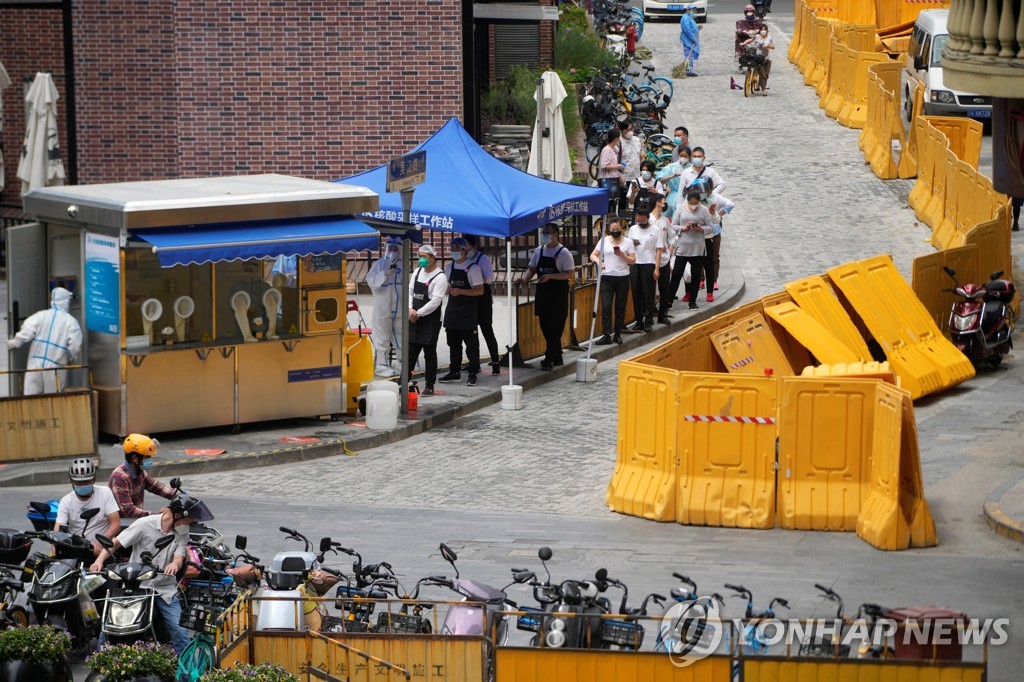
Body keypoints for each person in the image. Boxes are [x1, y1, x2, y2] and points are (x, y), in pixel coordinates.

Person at [90, 493, 215, 655]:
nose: (190, 524)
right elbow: (115, 544)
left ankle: (187, 676)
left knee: (179, 631)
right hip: (137, 585)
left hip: (164, 588)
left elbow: (178, 558)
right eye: (189, 520)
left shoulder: (182, 531)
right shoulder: (144, 524)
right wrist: (99, 561)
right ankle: (100, 661)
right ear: (177, 515)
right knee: (109, 625)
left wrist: (174, 564)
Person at [514, 224, 575, 371]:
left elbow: (569, 274)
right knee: (545, 327)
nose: (545, 235)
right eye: (543, 233)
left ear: (556, 235)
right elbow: (532, 268)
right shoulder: (539, 251)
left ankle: (548, 358)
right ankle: (557, 355)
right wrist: (525, 280)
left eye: (548, 233)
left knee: (556, 327)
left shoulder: (563, 253)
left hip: (558, 294)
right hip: (543, 294)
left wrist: (550, 276)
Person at [7, 286, 82, 395]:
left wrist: (15, 342)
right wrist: (71, 357)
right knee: (52, 401)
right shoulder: (71, 322)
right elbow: (75, 345)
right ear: (66, 301)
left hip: (35, 365)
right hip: (55, 367)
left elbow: (26, 331)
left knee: (30, 399)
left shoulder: (40, 315)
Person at [438, 237, 484, 387]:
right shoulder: (449, 267)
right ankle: (454, 371)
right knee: (453, 344)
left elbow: (480, 291)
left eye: (458, 248)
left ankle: (473, 372)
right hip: (452, 310)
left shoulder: (473, 268)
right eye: (452, 248)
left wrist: (461, 291)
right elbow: (447, 286)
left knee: (471, 345)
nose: (454, 251)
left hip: (467, 312)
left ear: (465, 250)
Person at [56, 458, 121, 557]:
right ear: (72, 482)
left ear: (93, 480)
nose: (82, 485)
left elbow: (115, 524)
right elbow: (57, 532)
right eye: (78, 483)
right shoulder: (66, 501)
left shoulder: (105, 493)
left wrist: (100, 542)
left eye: (86, 482)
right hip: (78, 549)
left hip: (104, 547)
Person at [407, 245, 448, 397]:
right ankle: (404, 380)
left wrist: (419, 313)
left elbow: (436, 301)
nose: (421, 259)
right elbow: (410, 291)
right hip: (413, 317)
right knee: (410, 352)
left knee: (429, 352)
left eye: (424, 257)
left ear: (432, 258)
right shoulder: (417, 272)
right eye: (420, 256)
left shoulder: (440, 277)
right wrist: (410, 309)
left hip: (430, 320)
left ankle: (429, 384)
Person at [590, 218, 636, 345]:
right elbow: (593, 255)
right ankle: (606, 334)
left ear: (621, 229)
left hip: (623, 277)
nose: (615, 231)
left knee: (620, 307)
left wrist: (622, 255)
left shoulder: (628, 242)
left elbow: (632, 260)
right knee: (606, 306)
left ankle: (617, 333)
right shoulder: (603, 241)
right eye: (613, 230)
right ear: (609, 230)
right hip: (607, 277)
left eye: (617, 229)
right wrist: (600, 262)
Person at [108, 433, 176, 519]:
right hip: (124, 524)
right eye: (147, 457)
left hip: (137, 521)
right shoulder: (119, 478)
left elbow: (156, 486)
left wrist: (179, 496)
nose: (150, 460)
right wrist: (157, 516)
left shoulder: (140, 471)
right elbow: (128, 511)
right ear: (134, 458)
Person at [670, 191, 714, 310]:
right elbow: (673, 226)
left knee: (696, 275)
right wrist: (683, 228)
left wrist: (700, 228)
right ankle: (669, 299)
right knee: (676, 274)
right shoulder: (680, 209)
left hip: (697, 247)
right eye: (691, 203)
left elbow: (711, 227)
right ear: (687, 201)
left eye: (696, 203)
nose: (693, 205)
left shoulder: (704, 210)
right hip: (683, 247)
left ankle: (692, 301)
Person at [365, 237, 403, 377]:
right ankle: (382, 364)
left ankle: (401, 361)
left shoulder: (403, 265)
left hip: (399, 307)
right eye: (391, 248)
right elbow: (371, 281)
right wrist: (384, 275)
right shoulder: (380, 264)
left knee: (401, 333)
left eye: (396, 249)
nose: (393, 251)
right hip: (382, 306)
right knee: (382, 335)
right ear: (386, 248)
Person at [464, 235, 501, 375]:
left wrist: (478, 279)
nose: (465, 249)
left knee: (487, 330)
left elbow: (490, 278)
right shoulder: (463, 260)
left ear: (473, 246)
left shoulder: (482, 258)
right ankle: (474, 363)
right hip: (469, 297)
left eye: (467, 246)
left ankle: (496, 362)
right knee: (470, 332)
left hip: (483, 297)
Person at [627, 209, 665, 332]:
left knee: (648, 293)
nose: (640, 222)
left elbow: (659, 249)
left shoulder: (655, 230)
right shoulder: (633, 229)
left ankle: (648, 320)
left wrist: (657, 268)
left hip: (649, 263)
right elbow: (629, 246)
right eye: (638, 220)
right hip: (635, 263)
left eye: (642, 220)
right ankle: (639, 320)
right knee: (636, 293)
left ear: (647, 218)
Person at [701, 188, 736, 301]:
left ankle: (714, 280)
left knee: (714, 257)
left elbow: (730, 204)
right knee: (699, 258)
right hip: (700, 233)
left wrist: (719, 213)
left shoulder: (715, 198)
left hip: (714, 231)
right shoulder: (697, 199)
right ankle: (701, 280)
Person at [651, 193, 675, 323]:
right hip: (651, 259)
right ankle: (648, 313)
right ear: (657, 203)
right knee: (649, 289)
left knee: (664, 288)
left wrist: (670, 250)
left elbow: (672, 238)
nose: (665, 204)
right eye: (663, 201)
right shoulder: (648, 220)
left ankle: (663, 314)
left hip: (664, 260)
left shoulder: (666, 221)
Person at [656, 145, 692, 219]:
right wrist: (671, 177)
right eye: (681, 155)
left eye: (685, 156)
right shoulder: (671, 167)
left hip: (687, 196)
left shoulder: (692, 168)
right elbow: (659, 179)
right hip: (673, 196)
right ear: (678, 155)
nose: (683, 158)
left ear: (689, 157)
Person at [597, 129, 627, 214]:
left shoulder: (612, 149)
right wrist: (618, 166)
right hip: (608, 180)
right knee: (609, 204)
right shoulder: (607, 150)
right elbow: (604, 166)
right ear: (615, 138)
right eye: (618, 137)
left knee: (613, 203)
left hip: (612, 180)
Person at [741, 26, 775, 94]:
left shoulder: (769, 38)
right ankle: (764, 90)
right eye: (762, 30)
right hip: (758, 58)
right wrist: (744, 43)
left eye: (764, 30)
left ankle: (759, 84)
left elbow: (773, 46)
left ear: (767, 31)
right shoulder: (756, 37)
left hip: (767, 58)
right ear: (760, 31)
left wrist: (767, 46)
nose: (763, 31)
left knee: (766, 75)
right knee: (763, 75)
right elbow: (750, 40)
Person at [679, 8, 701, 77]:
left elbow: (692, 27)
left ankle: (689, 70)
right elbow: (687, 30)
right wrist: (693, 38)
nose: (693, 13)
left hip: (690, 40)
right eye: (692, 11)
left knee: (689, 55)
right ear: (688, 10)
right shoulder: (685, 18)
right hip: (688, 40)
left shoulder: (689, 17)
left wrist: (698, 27)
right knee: (688, 56)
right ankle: (689, 71)